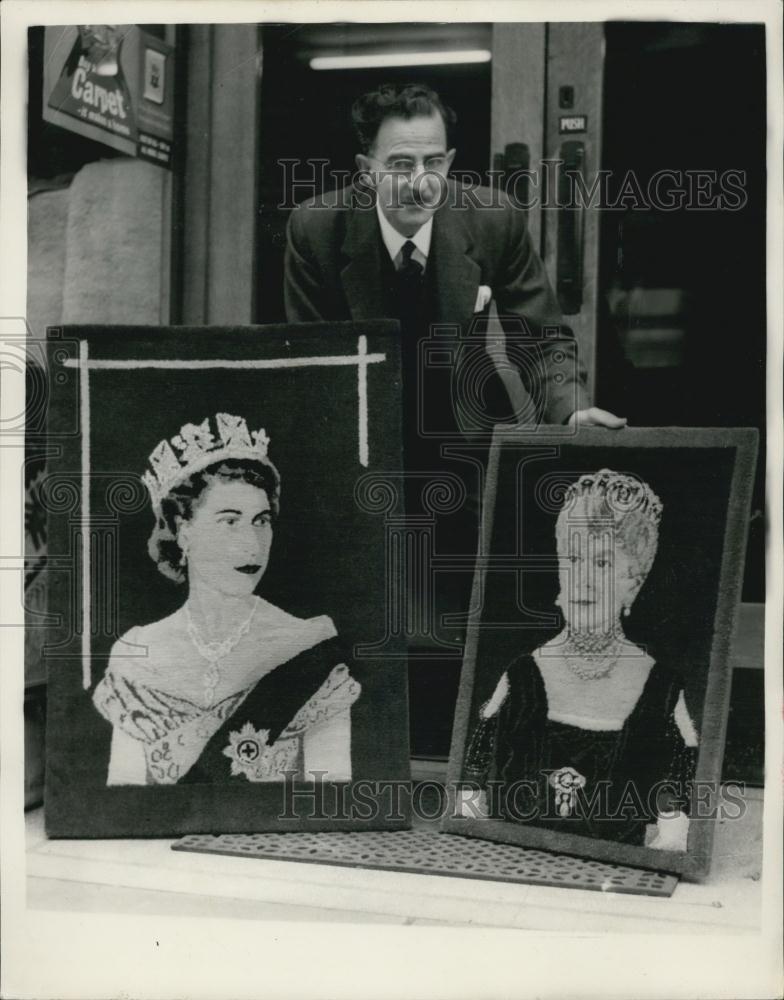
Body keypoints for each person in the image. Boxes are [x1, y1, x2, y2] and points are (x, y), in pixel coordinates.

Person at [284, 82, 626, 442]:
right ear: (367, 171)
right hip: (358, 435)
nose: (421, 183)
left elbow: (542, 339)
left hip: (466, 436)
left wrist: (571, 408)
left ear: (447, 163)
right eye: (401, 165)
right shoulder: (316, 229)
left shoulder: (493, 219)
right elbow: (312, 364)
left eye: (432, 162)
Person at [92, 412, 361, 786]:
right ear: (184, 532)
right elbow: (124, 802)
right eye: (229, 520)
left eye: (261, 520)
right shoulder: (136, 652)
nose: (252, 544)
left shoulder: (307, 646)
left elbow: (329, 794)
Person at [461, 469, 698, 851]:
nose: (583, 579)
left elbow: (676, 808)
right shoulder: (521, 677)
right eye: (573, 558)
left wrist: (669, 839)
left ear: (633, 584)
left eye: (603, 564)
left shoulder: (663, 691)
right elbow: (470, 789)